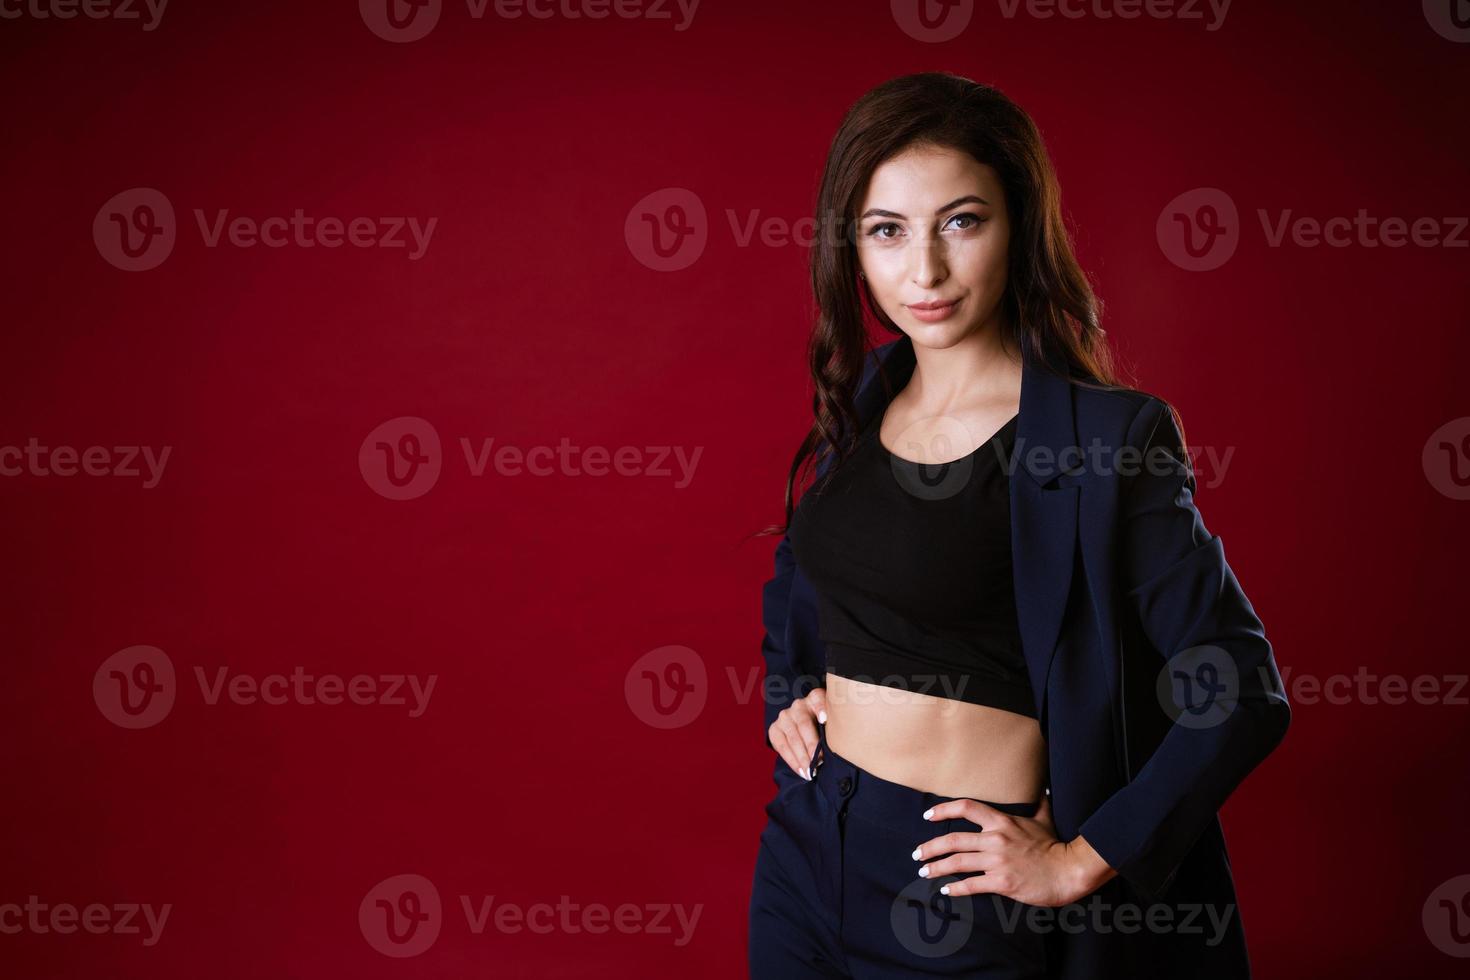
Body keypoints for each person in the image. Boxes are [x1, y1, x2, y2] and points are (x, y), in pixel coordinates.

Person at [747, 72, 1291, 979]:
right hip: (808, 847)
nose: (923, 272)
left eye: (962, 222)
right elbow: (806, 578)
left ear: (1020, 227)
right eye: (887, 231)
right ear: (853, 245)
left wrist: (1081, 858)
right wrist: (790, 692)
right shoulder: (862, 402)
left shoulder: (1105, 440)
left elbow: (1238, 689)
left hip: (959, 886)